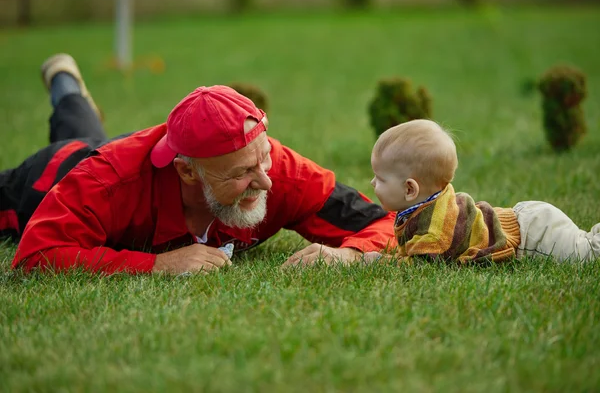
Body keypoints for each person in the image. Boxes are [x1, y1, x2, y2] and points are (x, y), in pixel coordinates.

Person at [3, 54, 397, 275]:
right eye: (242, 172)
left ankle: (65, 82)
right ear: (187, 171)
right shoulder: (108, 182)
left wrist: (351, 254)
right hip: (55, 172)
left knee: (85, 127)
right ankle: (65, 86)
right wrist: (155, 265)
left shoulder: (278, 169)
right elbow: (35, 256)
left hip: (116, 150)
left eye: (263, 159)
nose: (265, 182)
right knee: (74, 142)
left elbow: (385, 224)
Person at [366, 119, 600, 263]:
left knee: (588, 253)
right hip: (525, 220)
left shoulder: (435, 229)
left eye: (380, 178)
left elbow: (422, 265)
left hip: (536, 238)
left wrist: (380, 261)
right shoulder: (423, 206)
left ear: (410, 189)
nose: (372, 184)